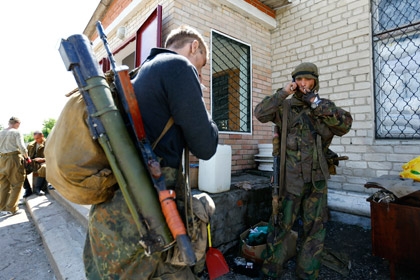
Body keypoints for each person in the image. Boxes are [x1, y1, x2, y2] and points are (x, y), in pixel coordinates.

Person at [82, 25, 219, 279]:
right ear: (194, 47)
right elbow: (206, 146)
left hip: (116, 205)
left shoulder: (141, 73)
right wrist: (203, 108)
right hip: (147, 211)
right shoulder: (178, 66)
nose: (200, 72)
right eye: (202, 65)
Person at [254, 62, 353, 279]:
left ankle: (307, 273)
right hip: (289, 181)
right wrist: (282, 93)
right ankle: (271, 271)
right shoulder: (285, 107)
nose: (303, 84)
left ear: (315, 82)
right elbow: (260, 113)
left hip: (316, 180)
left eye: (307, 80)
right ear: (294, 82)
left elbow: (345, 124)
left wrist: (316, 104)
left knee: (315, 230)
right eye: (299, 80)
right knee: (280, 225)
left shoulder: (323, 108)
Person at [0, 117, 29, 216]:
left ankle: (2, 209)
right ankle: (12, 208)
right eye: (19, 124)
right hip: (13, 158)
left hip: (2, 159)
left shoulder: (1, 132)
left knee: (4, 185)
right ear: (16, 123)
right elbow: (22, 147)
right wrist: (27, 157)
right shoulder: (16, 132)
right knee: (17, 183)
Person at [25, 130, 48, 196]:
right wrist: (26, 160)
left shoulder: (48, 143)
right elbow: (27, 155)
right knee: (19, 169)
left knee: (44, 167)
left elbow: (53, 156)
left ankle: (37, 189)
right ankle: (27, 189)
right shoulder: (31, 145)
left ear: (42, 136)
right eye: (35, 138)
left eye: (38, 138)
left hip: (44, 163)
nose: (36, 140)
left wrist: (43, 159)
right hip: (32, 163)